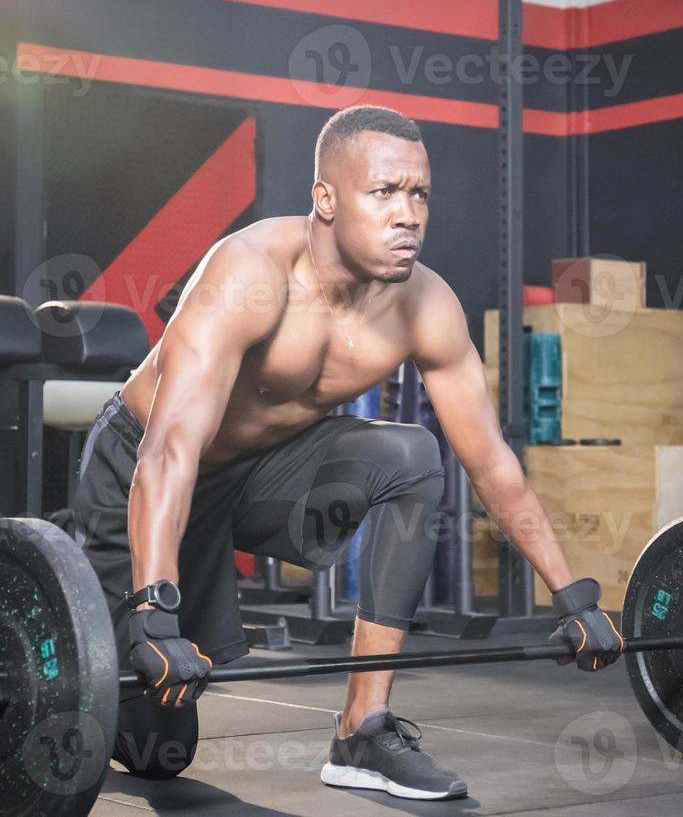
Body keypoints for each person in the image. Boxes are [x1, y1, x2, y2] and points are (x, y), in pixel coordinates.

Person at [73, 104, 623, 800]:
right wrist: (153, 608)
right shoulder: (248, 275)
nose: (409, 214)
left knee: (413, 457)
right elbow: (170, 448)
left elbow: (491, 465)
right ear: (325, 199)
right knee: (157, 749)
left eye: (419, 193)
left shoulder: (426, 306)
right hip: (138, 469)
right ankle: (82, 600)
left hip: (257, 476)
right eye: (384, 192)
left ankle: (364, 729)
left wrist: (572, 595)